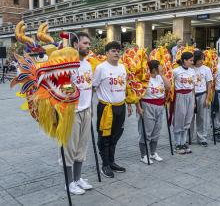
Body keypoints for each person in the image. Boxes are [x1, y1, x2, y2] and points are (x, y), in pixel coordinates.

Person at [93, 41, 132, 178]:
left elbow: (124, 87)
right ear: (107, 53)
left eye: (118, 51)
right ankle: (104, 164)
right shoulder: (101, 68)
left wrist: (128, 103)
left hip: (120, 107)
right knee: (104, 137)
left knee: (116, 135)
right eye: (113, 51)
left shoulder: (122, 68)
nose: (116, 53)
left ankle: (112, 161)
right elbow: (93, 86)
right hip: (106, 108)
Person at [60, 32, 93, 195]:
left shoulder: (88, 64)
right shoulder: (68, 65)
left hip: (86, 110)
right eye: (85, 43)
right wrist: (72, 92)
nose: (88, 46)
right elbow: (62, 86)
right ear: (75, 45)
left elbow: (89, 86)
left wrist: (89, 107)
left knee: (82, 147)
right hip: (72, 112)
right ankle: (69, 182)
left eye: (89, 44)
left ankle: (78, 178)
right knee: (70, 148)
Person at [136, 60, 171, 164]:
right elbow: (137, 94)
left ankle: (153, 152)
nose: (162, 68)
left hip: (160, 106)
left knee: (156, 131)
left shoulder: (160, 77)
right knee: (146, 132)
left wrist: (162, 75)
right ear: (154, 69)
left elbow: (168, 87)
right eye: (160, 67)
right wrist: (139, 108)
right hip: (148, 106)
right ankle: (143, 155)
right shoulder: (145, 79)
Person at [170, 52, 195, 154]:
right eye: (190, 60)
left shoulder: (192, 71)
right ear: (184, 60)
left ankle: (183, 142)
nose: (192, 62)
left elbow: (193, 86)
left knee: (187, 119)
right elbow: (171, 86)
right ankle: (177, 144)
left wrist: (193, 100)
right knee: (179, 119)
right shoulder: (175, 71)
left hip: (190, 95)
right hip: (180, 96)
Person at [190, 50, 213, 147]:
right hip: (191, 95)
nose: (201, 61)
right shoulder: (190, 69)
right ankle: (189, 138)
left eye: (202, 59)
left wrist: (208, 98)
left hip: (202, 94)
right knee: (189, 118)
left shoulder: (206, 69)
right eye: (200, 59)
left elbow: (209, 84)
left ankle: (202, 138)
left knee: (202, 118)